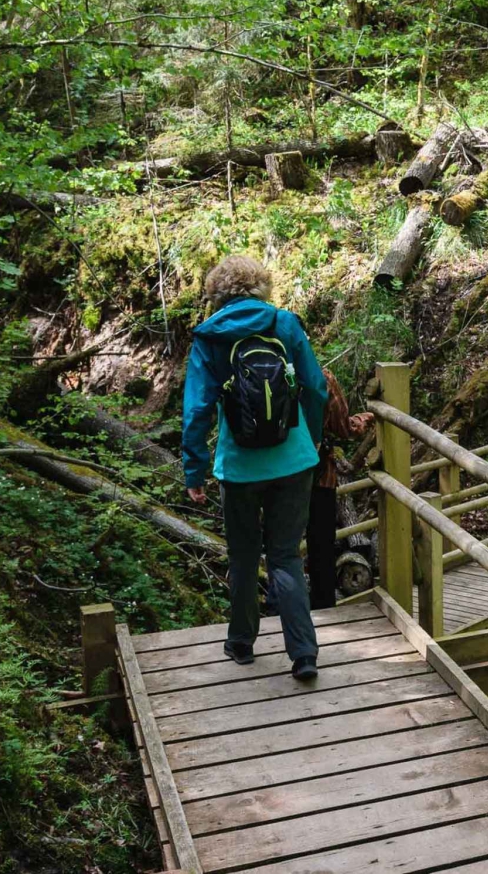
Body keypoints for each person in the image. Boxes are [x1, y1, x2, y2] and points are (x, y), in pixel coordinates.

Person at [182, 255, 327, 680]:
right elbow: (315, 387)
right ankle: (303, 654)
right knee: (284, 556)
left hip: (240, 468)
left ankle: (241, 643)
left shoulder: (209, 338)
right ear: (262, 288)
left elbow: (196, 411)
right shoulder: (284, 324)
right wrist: (312, 437)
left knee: (244, 555)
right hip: (294, 460)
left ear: (216, 296)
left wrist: (195, 470)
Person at [306, 370, 373, 610]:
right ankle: (322, 610)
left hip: (276, 478)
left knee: (281, 550)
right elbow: (343, 427)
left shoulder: (261, 370)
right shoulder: (320, 376)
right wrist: (366, 418)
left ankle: (284, 615)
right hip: (319, 476)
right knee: (321, 547)